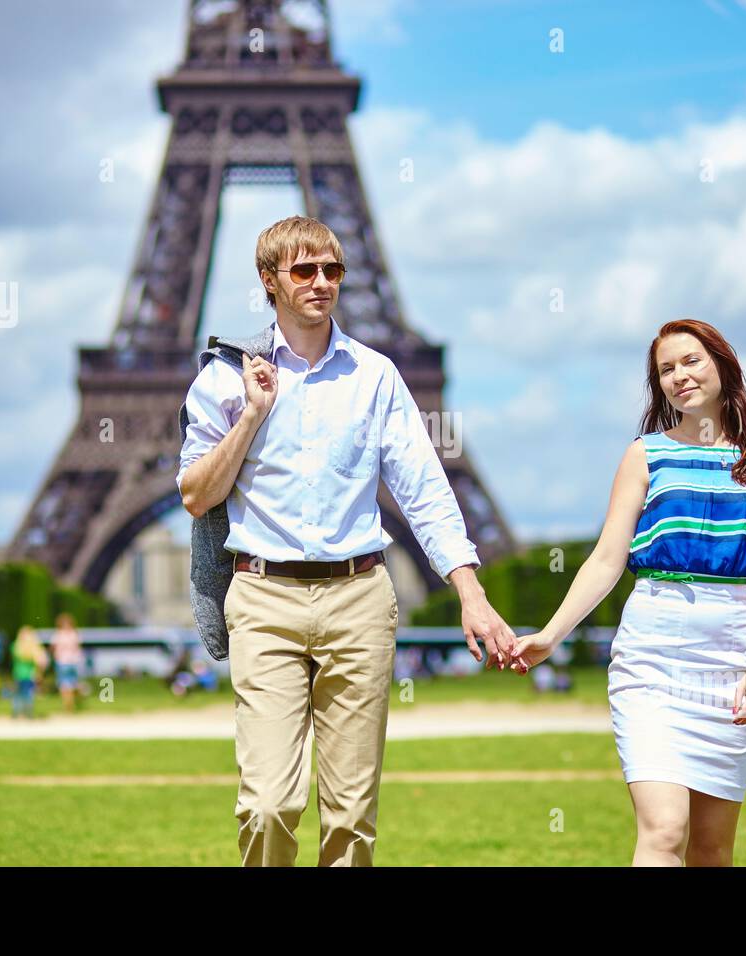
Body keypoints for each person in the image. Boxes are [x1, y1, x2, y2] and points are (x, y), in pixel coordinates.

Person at [177, 215, 517, 867]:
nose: (322, 281)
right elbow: (196, 495)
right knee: (270, 803)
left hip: (360, 596)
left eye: (333, 269)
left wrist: (470, 593)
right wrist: (252, 414)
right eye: (304, 270)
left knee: (352, 813)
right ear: (268, 281)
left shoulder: (376, 376)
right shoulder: (225, 377)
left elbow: (423, 487)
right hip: (263, 598)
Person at [512, 319, 746, 867]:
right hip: (652, 656)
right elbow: (607, 559)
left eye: (690, 361)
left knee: (712, 847)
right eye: (666, 369)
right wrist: (550, 634)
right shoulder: (644, 455)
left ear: (722, 364)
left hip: (731, 657)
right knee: (665, 830)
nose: (679, 376)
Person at [10, 626, 48, 719]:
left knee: (22, 694)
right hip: (24, 674)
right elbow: (39, 660)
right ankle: (24, 713)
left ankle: (21, 713)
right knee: (24, 694)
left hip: (23, 674)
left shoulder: (17, 646)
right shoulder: (27, 648)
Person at [50, 613, 84, 713]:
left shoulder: (58, 635)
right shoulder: (74, 634)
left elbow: (53, 648)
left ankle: (68, 705)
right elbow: (78, 648)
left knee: (65, 685)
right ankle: (70, 704)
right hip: (72, 662)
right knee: (71, 684)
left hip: (63, 662)